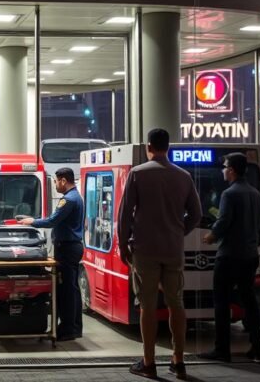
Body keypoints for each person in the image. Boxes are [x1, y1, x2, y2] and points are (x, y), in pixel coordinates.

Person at [116, 128, 203, 380]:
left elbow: (125, 215)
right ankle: (178, 361)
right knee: (176, 303)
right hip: (172, 250)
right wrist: (178, 231)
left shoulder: (137, 174)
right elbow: (195, 215)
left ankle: (149, 362)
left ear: (149, 147)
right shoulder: (184, 176)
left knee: (147, 306)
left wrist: (123, 246)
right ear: (168, 147)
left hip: (145, 250)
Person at [201, 153, 260, 364]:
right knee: (249, 301)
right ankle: (257, 348)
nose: (223, 170)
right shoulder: (255, 193)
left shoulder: (229, 194)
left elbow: (223, 222)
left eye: (225, 166)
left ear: (232, 170)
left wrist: (210, 237)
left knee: (221, 303)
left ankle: (222, 350)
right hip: (250, 255)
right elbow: (258, 226)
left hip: (229, 256)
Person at [19, 167, 85, 341]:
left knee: (65, 291)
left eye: (56, 181)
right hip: (73, 247)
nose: (55, 184)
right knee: (73, 289)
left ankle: (67, 329)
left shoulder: (68, 200)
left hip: (67, 248)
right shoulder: (76, 197)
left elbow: (52, 220)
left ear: (63, 181)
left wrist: (32, 222)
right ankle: (75, 327)